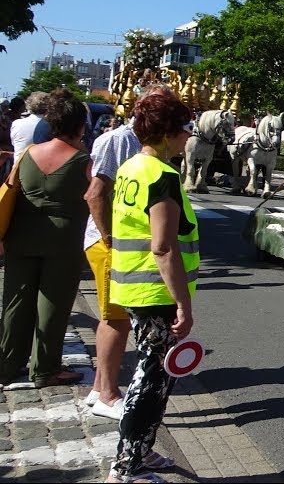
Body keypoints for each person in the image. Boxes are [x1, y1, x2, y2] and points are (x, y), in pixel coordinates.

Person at [106, 87, 199, 483]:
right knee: (152, 380)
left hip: (131, 285)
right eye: (183, 128)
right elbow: (163, 247)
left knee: (153, 374)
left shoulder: (131, 167)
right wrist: (183, 304)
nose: (187, 136)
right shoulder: (162, 176)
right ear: (166, 133)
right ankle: (127, 467)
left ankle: (138, 453)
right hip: (155, 291)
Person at [0, 89, 91, 389]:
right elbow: (97, 198)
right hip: (62, 240)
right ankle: (45, 368)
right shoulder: (83, 160)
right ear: (80, 126)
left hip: (21, 236)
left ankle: (6, 364)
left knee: (15, 301)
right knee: (53, 303)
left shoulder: (26, 154)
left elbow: (11, 189)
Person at [82, 110, 144, 420]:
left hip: (118, 241)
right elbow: (95, 194)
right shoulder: (120, 140)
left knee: (117, 317)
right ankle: (108, 394)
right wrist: (110, 238)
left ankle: (97, 389)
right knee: (115, 318)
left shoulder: (137, 140)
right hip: (109, 242)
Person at [10, 90, 52, 157]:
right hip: (41, 164)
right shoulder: (50, 125)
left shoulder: (16, 123)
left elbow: (14, 144)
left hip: (18, 165)